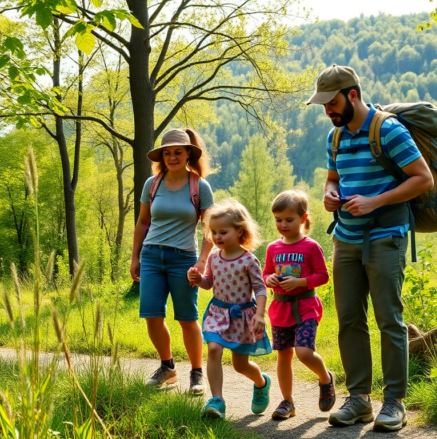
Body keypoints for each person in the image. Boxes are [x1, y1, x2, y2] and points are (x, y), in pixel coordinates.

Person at [307, 65, 433, 431]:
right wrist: (330, 196)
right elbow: (333, 179)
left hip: (386, 235)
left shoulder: (389, 130)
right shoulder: (336, 137)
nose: (327, 110)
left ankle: (394, 402)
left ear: (352, 95)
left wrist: (375, 202)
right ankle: (359, 399)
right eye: (323, 105)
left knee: (389, 320)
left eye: (331, 103)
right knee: (348, 319)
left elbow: (422, 179)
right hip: (345, 237)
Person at [130, 128, 215, 395]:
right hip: (152, 256)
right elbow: (143, 222)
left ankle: (196, 372)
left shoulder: (199, 186)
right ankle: (167, 367)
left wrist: (202, 261)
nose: (172, 157)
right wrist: (135, 256)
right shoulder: (152, 183)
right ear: (161, 156)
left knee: (187, 318)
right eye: (167, 153)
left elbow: (209, 229)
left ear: (188, 153)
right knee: (152, 316)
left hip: (184, 260)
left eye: (178, 152)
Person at [187, 198, 272, 419]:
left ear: (240, 232)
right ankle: (217, 401)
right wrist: (198, 279)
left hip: (241, 316)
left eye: (223, 232)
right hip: (217, 313)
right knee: (213, 349)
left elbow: (261, 289)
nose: (217, 237)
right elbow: (209, 283)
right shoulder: (214, 258)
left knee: (240, 365)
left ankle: (262, 383)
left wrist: (260, 315)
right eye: (213, 232)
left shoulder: (249, 260)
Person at [262, 189, 334, 420]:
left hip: (305, 307)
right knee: (283, 355)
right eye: (278, 220)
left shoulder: (311, 246)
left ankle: (325, 378)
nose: (282, 224)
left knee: (303, 352)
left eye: (288, 220)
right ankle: (287, 402)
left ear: (303, 219)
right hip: (280, 309)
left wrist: (301, 281)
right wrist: (269, 279)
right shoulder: (273, 248)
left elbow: (323, 275)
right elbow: (265, 274)